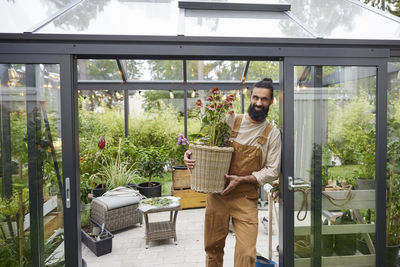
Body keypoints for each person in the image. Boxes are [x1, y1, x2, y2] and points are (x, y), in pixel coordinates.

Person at [184, 78, 282, 267]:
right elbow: (207, 144)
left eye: (264, 99)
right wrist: (189, 154)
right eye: (255, 97)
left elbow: (273, 170)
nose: (258, 103)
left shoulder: (272, 133)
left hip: (246, 198)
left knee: (246, 254)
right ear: (250, 97)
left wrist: (243, 179)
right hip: (218, 195)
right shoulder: (231, 120)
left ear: (270, 102)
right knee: (212, 249)